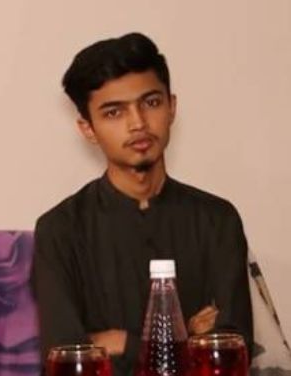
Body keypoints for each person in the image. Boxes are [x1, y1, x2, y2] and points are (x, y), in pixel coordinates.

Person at [31, 32, 253, 375]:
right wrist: (186, 343)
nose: (137, 123)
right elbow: (67, 361)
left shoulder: (217, 219)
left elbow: (231, 352)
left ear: (172, 107)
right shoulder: (60, 229)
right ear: (88, 129)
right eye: (114, 112)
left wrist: (118, 342)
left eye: (150, 103)